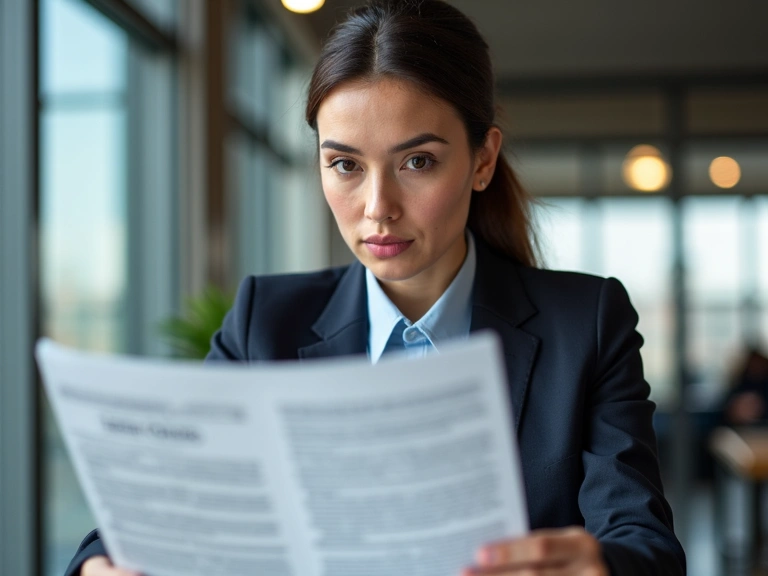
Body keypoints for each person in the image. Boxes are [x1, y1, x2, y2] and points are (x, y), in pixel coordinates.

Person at [69, 1, 685, 575]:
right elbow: (153, 512)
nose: (377, 208)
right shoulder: (265, 324)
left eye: (417, 162)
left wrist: (597, 566)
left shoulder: (585, 323)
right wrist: (104, 563)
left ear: (481, 160)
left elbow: (644, 543)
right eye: (345, 165)